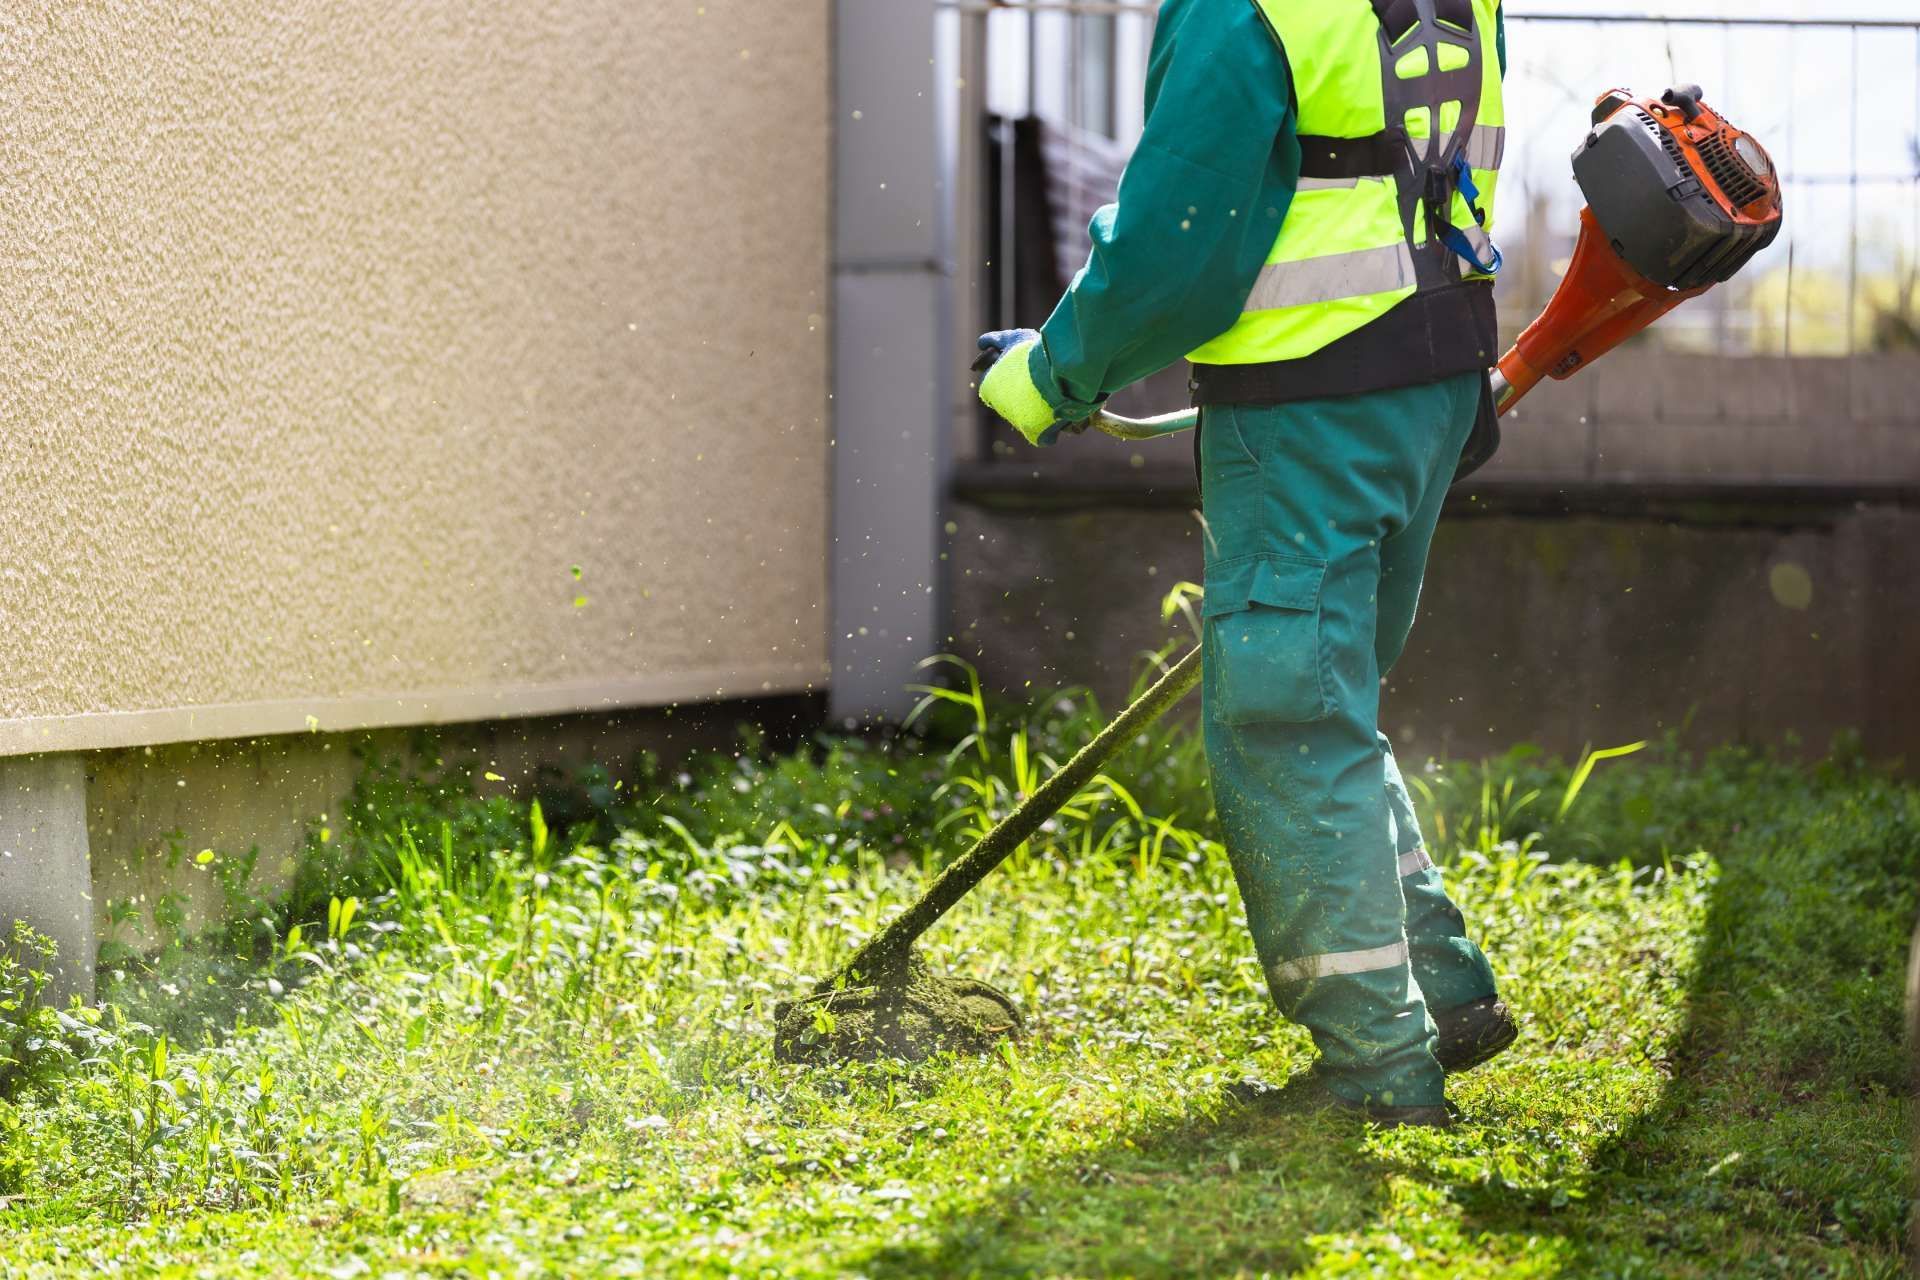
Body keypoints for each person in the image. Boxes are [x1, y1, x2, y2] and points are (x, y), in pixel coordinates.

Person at [974, 0, 1518, 1127]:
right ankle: (1446, 990)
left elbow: (1182, 241)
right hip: (1427, 384)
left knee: (1287, 726)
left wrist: (1052, 373)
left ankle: (1379, 1072)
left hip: (1311, 408)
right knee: (1329, 706)